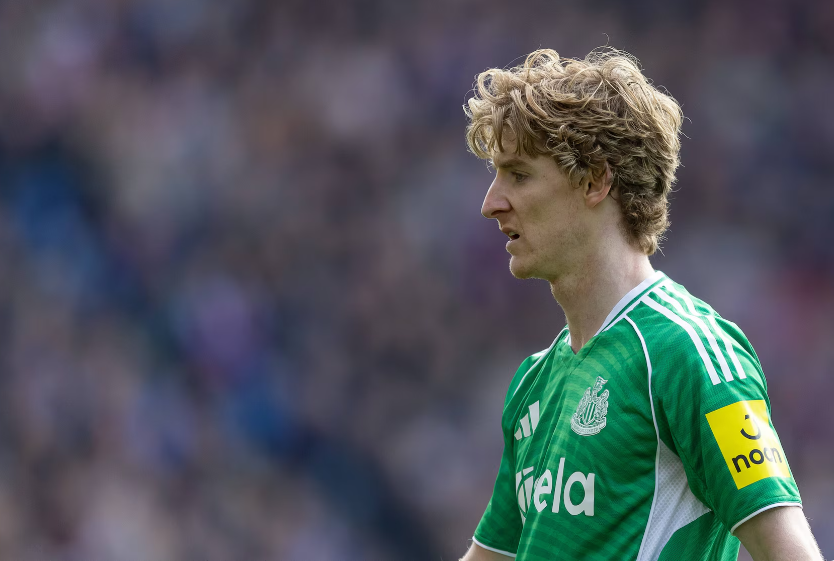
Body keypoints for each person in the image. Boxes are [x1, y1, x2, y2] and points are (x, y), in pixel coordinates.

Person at [460, 49, 823, 561]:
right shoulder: (533, 382)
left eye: (518, 174)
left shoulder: (688, 354)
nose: (490, 203)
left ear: (594, 181)